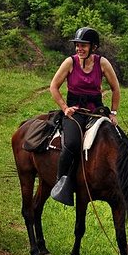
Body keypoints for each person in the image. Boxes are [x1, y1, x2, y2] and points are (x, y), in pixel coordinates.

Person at [49, 27, 121, 205]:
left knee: (115, 140)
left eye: (83, 45)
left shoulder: (103, 63)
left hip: (96, 112)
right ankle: (61, 182)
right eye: (77, 45)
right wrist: (65, 108)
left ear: (93, 47)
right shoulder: (70, 62)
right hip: (75, 112)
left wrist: (113, 113)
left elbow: (115, 88)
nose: (79, 49)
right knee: (73, 142)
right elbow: (53, 87)